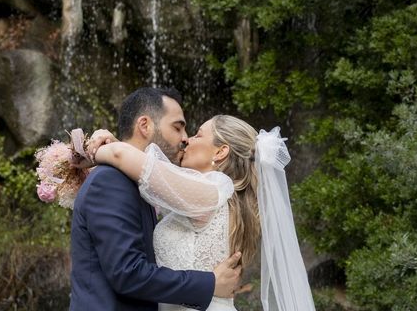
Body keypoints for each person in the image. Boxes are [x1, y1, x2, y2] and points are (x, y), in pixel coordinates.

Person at [87, 113, 316, 311]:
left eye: (198, 134)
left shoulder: (213, 189)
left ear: (221, 151)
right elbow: (147, 176)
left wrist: (91, 152)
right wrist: (116, 145)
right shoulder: (211, 197)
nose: (187, 140)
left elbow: (123, 158)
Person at [69, 87, 242, 311]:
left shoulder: (152, 186)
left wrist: (100, 151)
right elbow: (128, 272)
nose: (185, 139)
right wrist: (209, 284)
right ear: (144, 125)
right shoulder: (111, 181)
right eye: (178, 127)